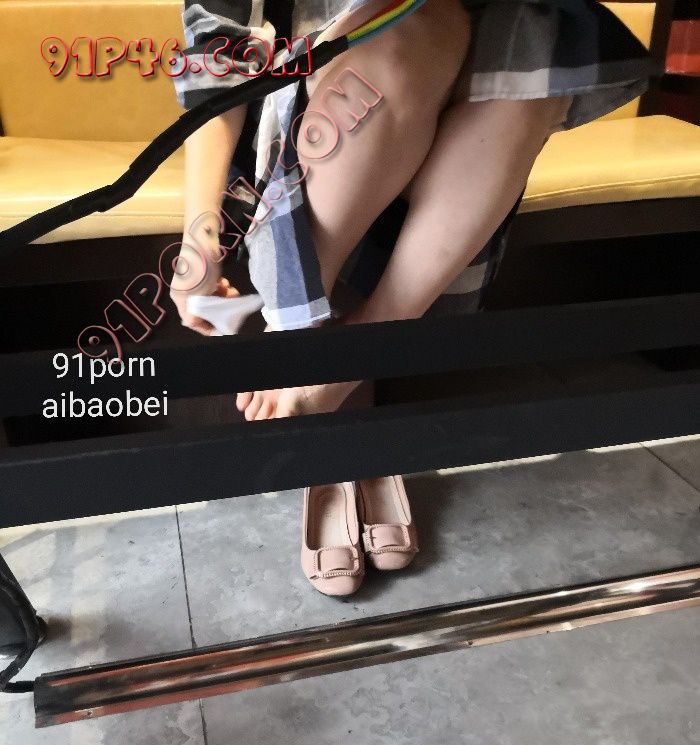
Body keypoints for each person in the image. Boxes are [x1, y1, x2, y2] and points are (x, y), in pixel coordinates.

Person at [169, 0, 652, 593]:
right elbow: (215, 52)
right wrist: (199, 233)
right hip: (321, 117)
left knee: (534, 41)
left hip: (466, 117)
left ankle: (354, 351)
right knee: (408, 30)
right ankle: (303, 337)